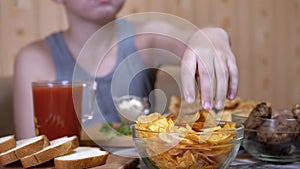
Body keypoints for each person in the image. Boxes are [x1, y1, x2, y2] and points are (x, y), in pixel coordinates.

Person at [13, 0, 238, 139]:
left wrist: (212, 35)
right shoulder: (33, 60)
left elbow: (194, 38)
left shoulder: (146, 37)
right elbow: (31, 151)